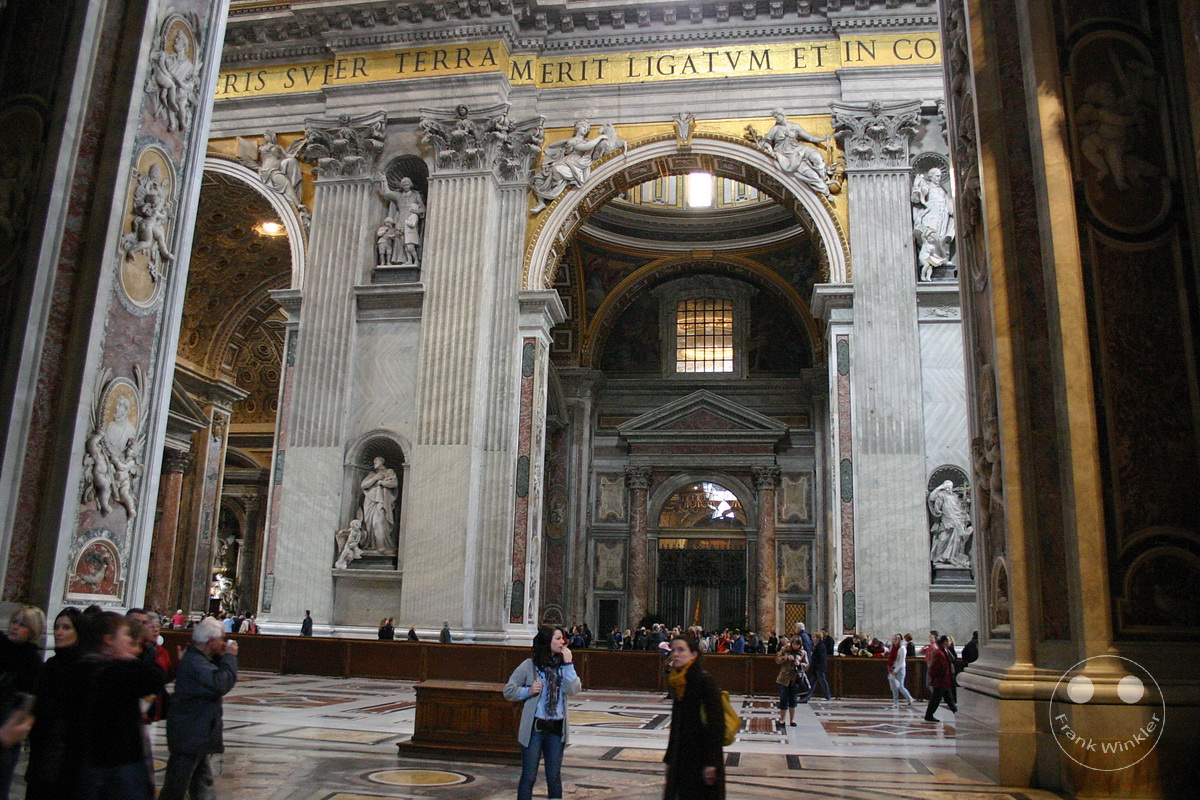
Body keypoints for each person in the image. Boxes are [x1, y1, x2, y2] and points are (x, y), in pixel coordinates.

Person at [66, 611, 166, 800]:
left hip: (86, 757)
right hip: (119, 760)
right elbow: (155, 677)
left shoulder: (82, 665)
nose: (132, 642)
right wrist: (129, 658)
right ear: (110, 640)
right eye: (127, 635)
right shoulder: (116, 671)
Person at [159, 617, 238, 800]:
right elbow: (220, 684)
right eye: (222, 639)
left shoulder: (199, 658)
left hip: (197, 732)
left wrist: (221, 657)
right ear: (211, 641)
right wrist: (230, 658)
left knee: (202, 782)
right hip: (190, 732)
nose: (224, 643)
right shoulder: (195, 662)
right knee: (177, 785)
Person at [503, 627, 581, 800]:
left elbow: (574, 689)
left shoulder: (563, 666)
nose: (563, 642)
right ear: (547, 642)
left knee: (554, 777)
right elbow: (508, 691)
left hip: (556, 728)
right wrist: (528, 691)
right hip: (535, 728)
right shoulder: (529, 666)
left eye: (563, 639)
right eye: (559, 639)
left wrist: (569, 664)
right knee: (529, 776)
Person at [26, 608, 82, 799]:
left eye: (66, 628)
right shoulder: (51, 664)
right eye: (57, 627)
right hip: (43, 744)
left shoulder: (83, 667)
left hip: (65, 751)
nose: (59, 632)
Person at [663, 635, 725, 800]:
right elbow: (677, 726)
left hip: (701, 759)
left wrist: (711, 763)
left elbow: (716, 724)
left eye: (681, 650)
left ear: (694, 655)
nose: (675, 654)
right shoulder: (678, 682)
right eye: (673, 650)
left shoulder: (705, 682)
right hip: (681, 759)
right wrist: (670, 759)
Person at [0, 605, 44, 798]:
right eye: (14, 622)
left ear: (32, 631)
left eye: (22, 624)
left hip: (6, 727)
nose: (15, 627)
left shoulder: (32, 661)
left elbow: (27, 703)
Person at [774, 636, 807, 728]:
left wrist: (800, 664)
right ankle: (782, 719)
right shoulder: (785, 649)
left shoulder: (803, 653)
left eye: (797, 644)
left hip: (795, 679)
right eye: (794, 644)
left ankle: (792, 720)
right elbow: (777, 659)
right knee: (783, 698)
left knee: (793, 699)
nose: (795, 646)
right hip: (784, 678)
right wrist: (786, 657)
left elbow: (807, 664)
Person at [924, 635, 958, 722]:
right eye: (948, 641)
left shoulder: (944, 651)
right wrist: (935, 677)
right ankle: (929, 715)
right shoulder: (939, 653)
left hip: (944, 680)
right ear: (945, 642)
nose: (950, 643)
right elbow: (936, 667)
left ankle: (956, 713)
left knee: (948, 698)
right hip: (940, 680)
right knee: (936, 699)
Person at [886, 634, 915, 708]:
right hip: (892, 668)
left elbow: (901, 661)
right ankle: (895, 703)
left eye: (896, 640)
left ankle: (909, 698)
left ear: (899, 640)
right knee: (894, 687)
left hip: (900, 669)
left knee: (900, 686)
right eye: (893, 639)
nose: (894, 641)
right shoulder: (892, 647)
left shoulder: (902, 648)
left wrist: (895, 670)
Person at [807, 631, 832, 701]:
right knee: (813, 681)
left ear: (818, 638)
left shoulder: (820, 646)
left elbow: (819, 658)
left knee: (822, 681)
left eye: (814, 637)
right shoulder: (817, 645)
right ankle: (808, 694)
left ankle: (828, 695)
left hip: (819, 667)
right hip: (817, 667)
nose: (813, 638)